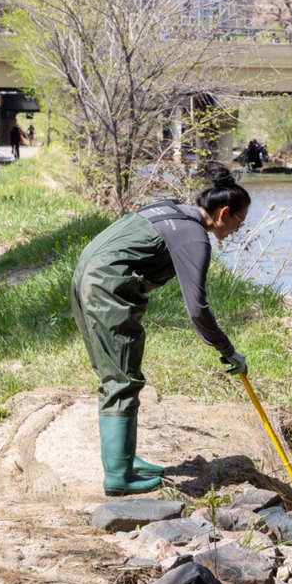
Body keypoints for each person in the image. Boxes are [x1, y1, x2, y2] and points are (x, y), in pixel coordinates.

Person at [69, 166, 251, 496]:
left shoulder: (170, 208)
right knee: (121, 379)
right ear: (223, 213)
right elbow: (198, 311)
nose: (238, 230)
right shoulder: (195, 237)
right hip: (107, 288)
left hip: (84, 275)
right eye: (239, 221)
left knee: (114, 375)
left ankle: (124, 459)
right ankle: (118, 478)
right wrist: (227, 349)